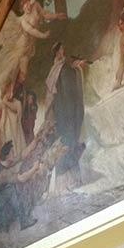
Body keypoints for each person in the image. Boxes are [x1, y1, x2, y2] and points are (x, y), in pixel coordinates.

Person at [45, 42, 88, 193]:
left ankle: (65, 184)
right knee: (69, 145)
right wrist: (77, 69)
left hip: (61, 115)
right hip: (68, 114)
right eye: (62, 49)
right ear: (57, 52)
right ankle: (70, 182)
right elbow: (70, 92)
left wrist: (74, 68)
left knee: (67, 145)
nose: (64, 50)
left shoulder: (54, 70)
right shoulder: (63, 69)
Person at [0, 141, 47, 231]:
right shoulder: (3, 173)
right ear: (7, 156)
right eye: (12, 152)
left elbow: (21, 156)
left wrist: (36, 140)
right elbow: (21, 179)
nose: (14, 154)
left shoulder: (4, 164)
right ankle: (23, 220)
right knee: (11, 189)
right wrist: (34, 168)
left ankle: (20, 220)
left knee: (11, 189)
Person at [13, 0, 67, 75]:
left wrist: (56, 16)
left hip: (32, 42)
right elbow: (32, 31)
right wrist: (43, 35)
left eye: (28, 3)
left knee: (27, 66)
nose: (28, 6)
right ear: (22, 8)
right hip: (24, 45)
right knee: (23, 67)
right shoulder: (23, 20)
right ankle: (19, 83)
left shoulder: (35, 5)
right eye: (25, 5)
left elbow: (44, 14)